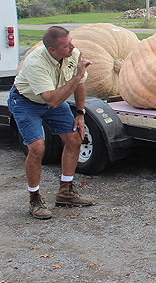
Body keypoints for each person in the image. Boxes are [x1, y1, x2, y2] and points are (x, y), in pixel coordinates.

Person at [8, 26, 93, 219]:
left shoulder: (73, 53)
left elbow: (79, 84)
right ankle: (35, 198)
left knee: (74, 139)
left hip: (54, 98)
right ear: (52, 50)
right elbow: (52, 100)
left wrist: (80, 113)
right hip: (26, 101)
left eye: (71, 42)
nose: (72, 47)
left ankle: (66, 192)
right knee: (37, 148)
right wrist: (78, 75)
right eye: (66, 45)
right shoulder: (36, 62)